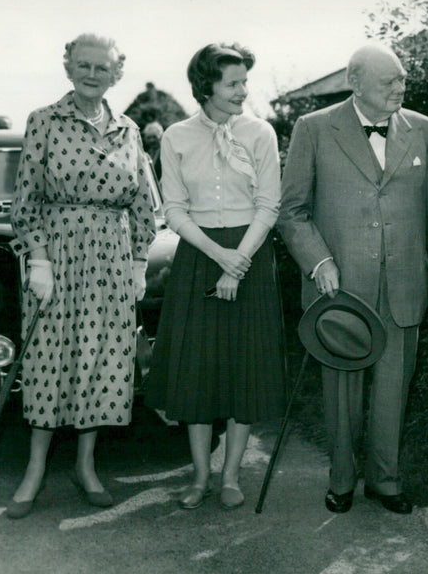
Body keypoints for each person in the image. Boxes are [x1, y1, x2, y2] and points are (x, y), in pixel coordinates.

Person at [277, 43, 428, 515]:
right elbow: (291, 211)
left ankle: (386, 480)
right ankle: (341, 478)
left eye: (401, 80)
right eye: (388, 81)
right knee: (341, 391)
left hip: (405, 285)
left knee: (395, 386)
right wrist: (319, 262)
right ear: (356, 84)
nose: (400, 88)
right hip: (340, 289)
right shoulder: (313, 129)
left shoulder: (424, 130)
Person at [7, 33, 157, 519]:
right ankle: (33, 470)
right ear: (69, 66)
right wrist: (39, 259)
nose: (93, 74)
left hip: (111, 262)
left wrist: (137, 263)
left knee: (100, 361)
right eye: (84, 65)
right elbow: (26, 201)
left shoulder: (130, 130)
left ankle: (86, 467)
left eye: (103, 67)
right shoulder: (43, 121)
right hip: (59, 256)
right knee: (49, 359)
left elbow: (141, 205)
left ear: (117, 73)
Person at [147, 43, 286, 511]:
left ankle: (231, 475)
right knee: (197, 372)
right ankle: (200, 476)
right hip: (199, 257)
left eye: (245, 82)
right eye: (233, 83)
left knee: (245, 369)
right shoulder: (177, 137)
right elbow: (174, 209)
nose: (243, 91)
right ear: (206, 86)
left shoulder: (260, 133)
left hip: (250, 253)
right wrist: (217, 255)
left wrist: (239, 259)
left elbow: (270, 204)